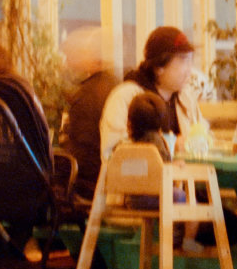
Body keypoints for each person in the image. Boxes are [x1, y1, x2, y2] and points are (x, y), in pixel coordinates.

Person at [99, 27, 202, 162]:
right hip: (142, 176)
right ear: (159, 67)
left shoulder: (186, 99)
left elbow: (203, 137)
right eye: (183, 60)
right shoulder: (126, 97)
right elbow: (113, 154)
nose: (189, 70)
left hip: (184, 174)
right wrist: (169, 144)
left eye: (190, 61)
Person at [58, 26, 117, 200]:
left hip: (89, 181)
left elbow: (84, 148)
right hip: (108, 173)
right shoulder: (113, 85)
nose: (67, 60)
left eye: (71, 54)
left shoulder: (88, 95)